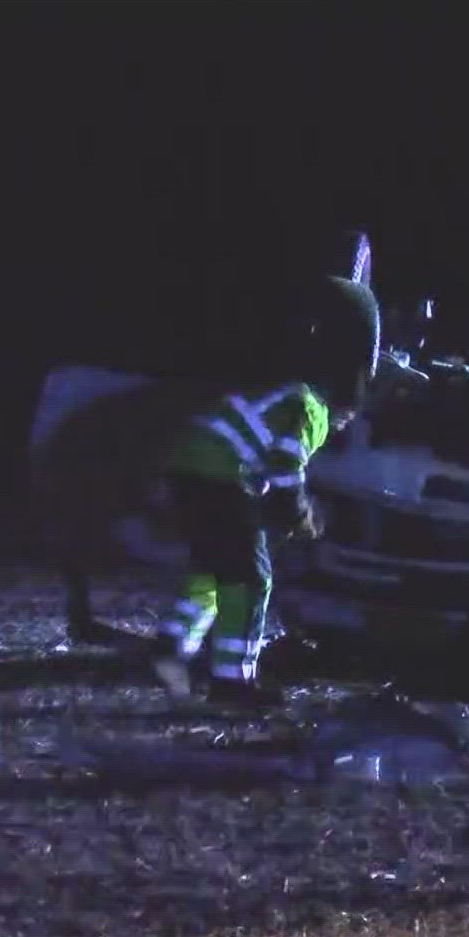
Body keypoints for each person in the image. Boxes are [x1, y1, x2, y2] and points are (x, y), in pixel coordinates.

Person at [149, 274, 380, 706]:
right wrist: (298, 515)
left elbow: (265, 460)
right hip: (221, 473)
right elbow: (287, 468)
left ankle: (172, 645)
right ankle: (233, 681)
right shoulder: (312, 409)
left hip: (185, 464)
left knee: (211, 564)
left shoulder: (283, 391)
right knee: (252, 579)